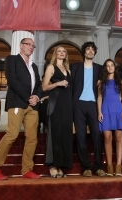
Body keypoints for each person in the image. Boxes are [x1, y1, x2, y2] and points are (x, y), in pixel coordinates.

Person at [0, 38, 42, 180]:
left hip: (32, 106)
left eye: (33, 46)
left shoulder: (34, 66)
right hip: (18, 102)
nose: (31, 47)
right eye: (28, 44)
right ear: (21, 46)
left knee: (32, 138)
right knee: (12, 134)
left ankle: (27, 170)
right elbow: (12, 79)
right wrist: (28, 97)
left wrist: (36, 96)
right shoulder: (12, 60)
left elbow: (39, 85)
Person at [71, 41, 105, 177]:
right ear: (84, 51)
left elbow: (104, 87)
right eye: (88, 49)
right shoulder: (75, 67)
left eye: (92, 50)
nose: (90, 51)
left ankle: (98, 166)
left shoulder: (99, 68)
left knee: (96, 134)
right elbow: (71, 88)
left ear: (95, 52)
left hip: (93, 104)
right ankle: (86, 167)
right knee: (80, 135)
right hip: (78, 103)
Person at [42, 45, 73, 178]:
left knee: (65, 134)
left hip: (67, 104)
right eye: (59, 51)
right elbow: (44, 87)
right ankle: (53, 165)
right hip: (56, 104)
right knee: (56, 133)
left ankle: (60, 165)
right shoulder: (51, 67)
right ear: (55, 54)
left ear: (66, 54)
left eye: (63, 51)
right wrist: (57, 84)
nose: (61, 53)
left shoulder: (68, 70)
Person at [97, 59, 122, 176]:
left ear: (115, 67)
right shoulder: (101, 83)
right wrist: (99, 112)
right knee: (107, 137)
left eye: (112, 65)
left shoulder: (121, 82)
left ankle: (118, 167)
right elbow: (99, 98)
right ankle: (109, 167)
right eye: (107, 66)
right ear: (105, 68)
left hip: (118, 109)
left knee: (119, 137)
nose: (110, 67)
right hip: (105, 110)